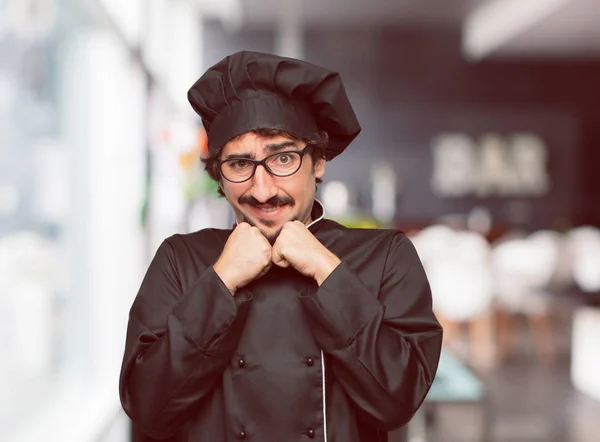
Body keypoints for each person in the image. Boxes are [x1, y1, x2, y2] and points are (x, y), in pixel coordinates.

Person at [119, 51, 443, 442]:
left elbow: (398, 400)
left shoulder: (385, 255)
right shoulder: (181, 260)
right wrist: (221, 282)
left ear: (318, 160)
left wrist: (327, 270)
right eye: (239, 164)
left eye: (283, 158)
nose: (262, 188)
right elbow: (147, 408)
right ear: (218, 177)